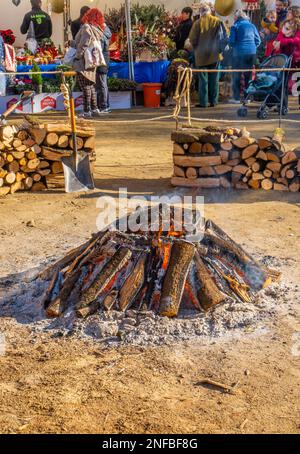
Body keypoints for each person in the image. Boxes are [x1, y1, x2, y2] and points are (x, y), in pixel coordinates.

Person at [188, 2, 227, 108]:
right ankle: (214, 101)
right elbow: (224, 38)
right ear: (210, 12)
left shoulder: (197, 23)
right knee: (214, 79)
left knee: (203, 80)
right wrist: (220, 50)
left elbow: (192, 39)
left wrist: (195, 48)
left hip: (201, 56)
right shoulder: (218, 21)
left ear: (201, 13)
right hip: (215, 55)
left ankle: (203, 102)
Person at [72, 8, 105, 119]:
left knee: (85, 86)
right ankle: (94, 109)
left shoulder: (86, 27)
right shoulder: (97, 29)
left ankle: (86, 111)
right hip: (92, 60)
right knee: (90, 86)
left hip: (83, 61)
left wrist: (78, 56)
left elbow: (84, 43)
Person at [229, 9, 261, 103]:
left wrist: (236, 47)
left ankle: (236, 98)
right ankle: (248, 98)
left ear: (236, 17)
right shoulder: (252, 26)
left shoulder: (235, 26)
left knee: (236, 75)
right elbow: (258, 41)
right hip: (251, 53)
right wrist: (252, 47)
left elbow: (231, 41)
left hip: (238, 53)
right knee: (249, 76)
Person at [96, 24, 112, 113]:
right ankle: (104, 105)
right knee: (102, 84)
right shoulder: (106, 33)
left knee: (102, 84)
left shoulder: (101, 36)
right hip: (104, 60)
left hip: (101, 61)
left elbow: (99, 49)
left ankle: (104, 106)